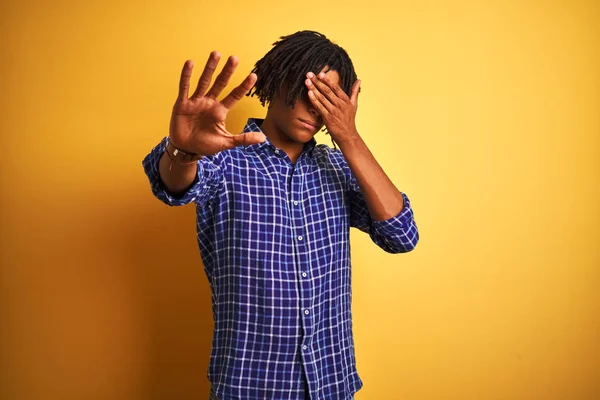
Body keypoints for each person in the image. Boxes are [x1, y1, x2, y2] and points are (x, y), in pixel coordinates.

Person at [142, 30, 419, 400]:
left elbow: (401, 235)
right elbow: (172, 186)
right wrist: (183, 150)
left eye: (328, 99)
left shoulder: (338, 168)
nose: (315, 108)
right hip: (249, 388)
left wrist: (349, 137)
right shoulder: (225, 160)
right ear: (277, 79)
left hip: (331, 386)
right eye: (309, 90)